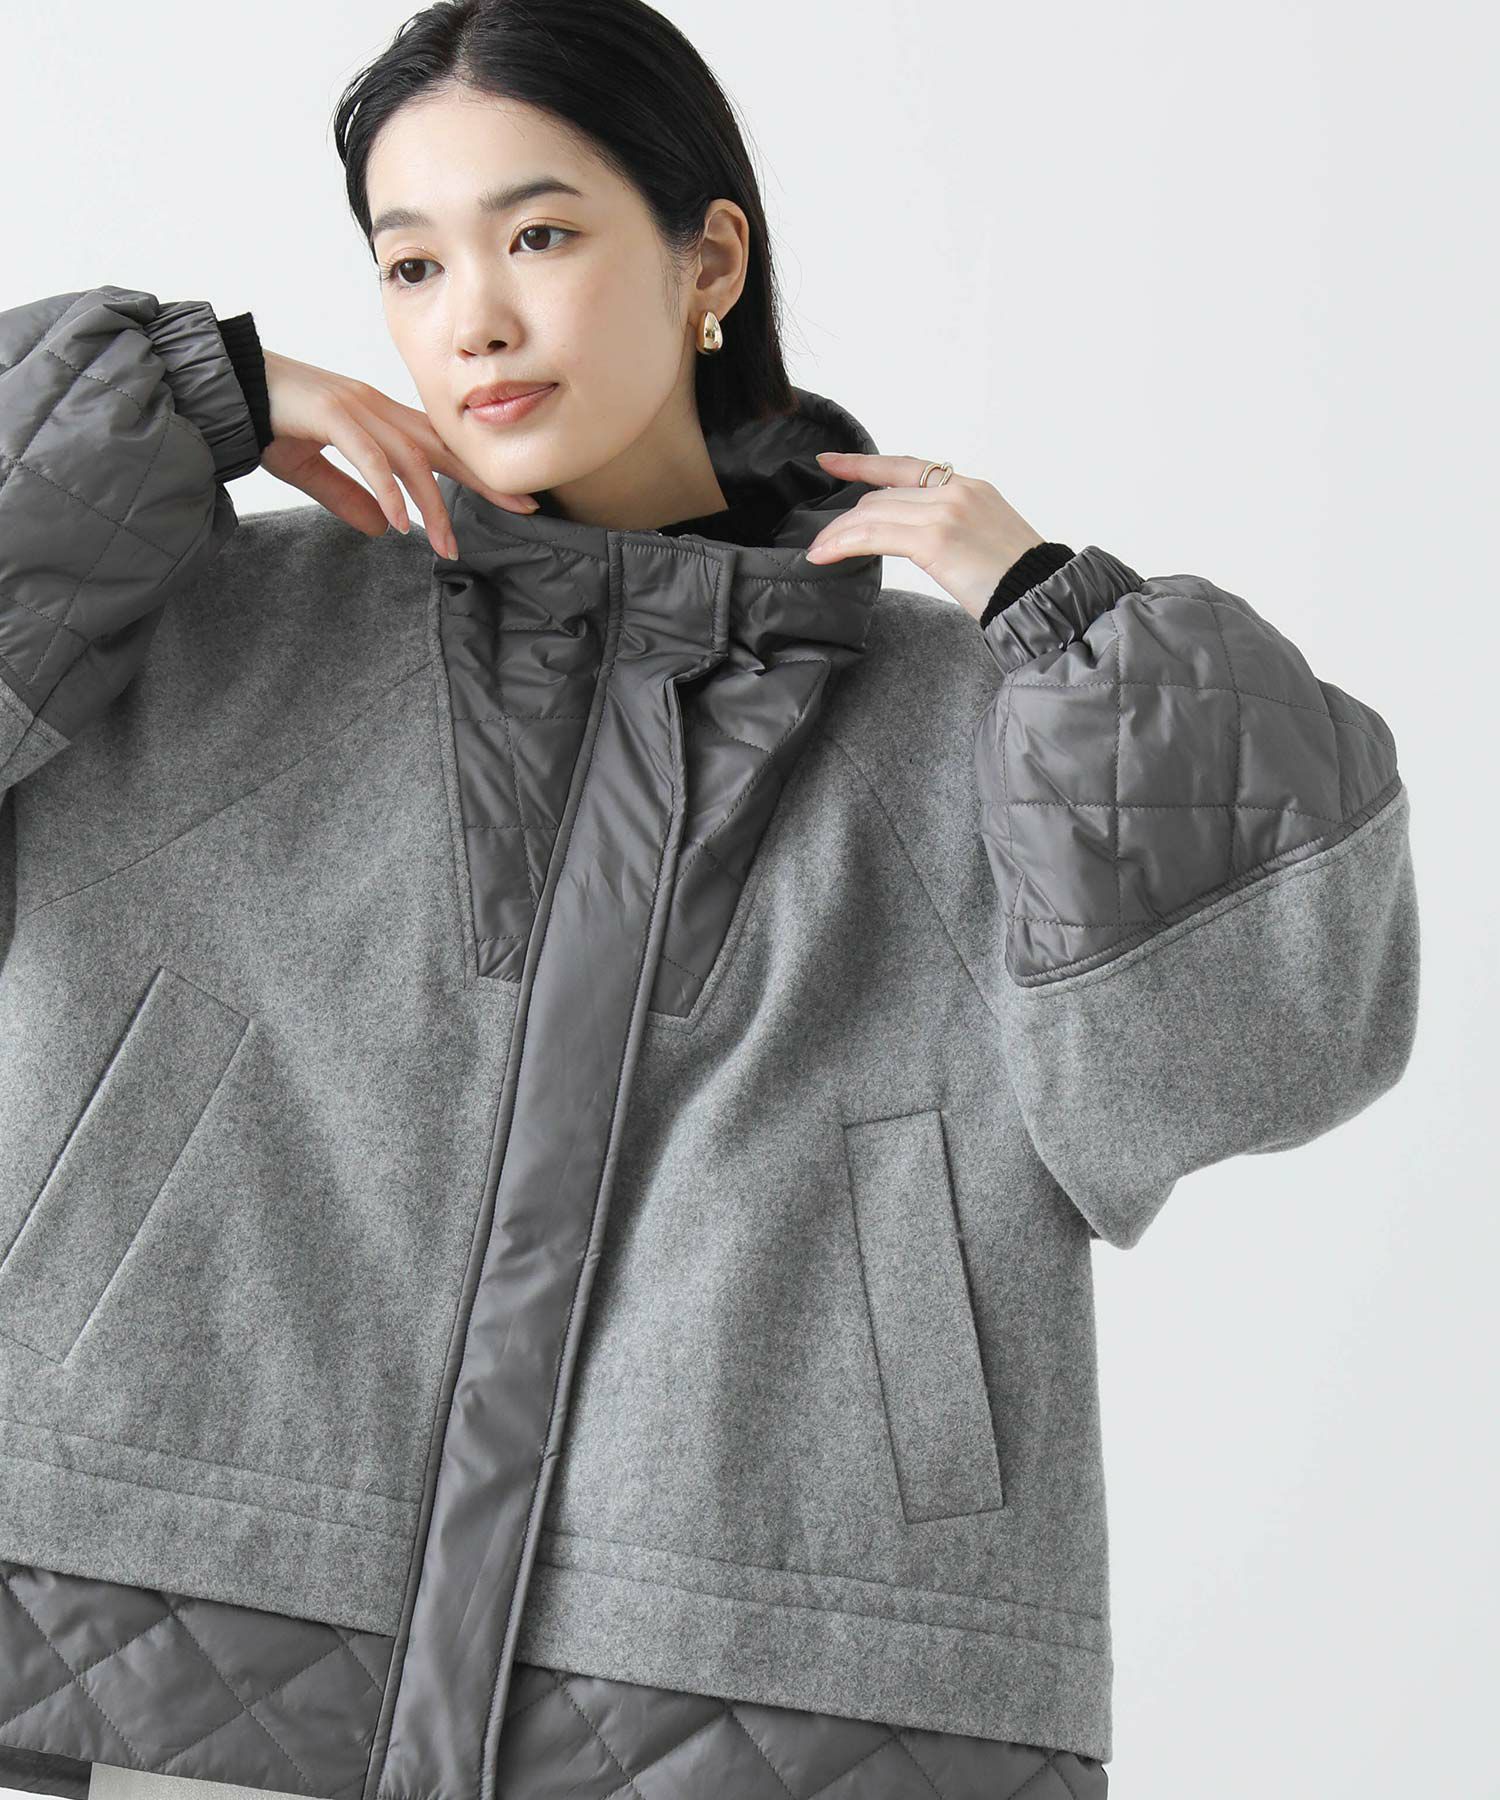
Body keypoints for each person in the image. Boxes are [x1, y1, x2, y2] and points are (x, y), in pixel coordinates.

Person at [0, 4, 1417, 1798]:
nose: (474, 318)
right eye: (413, 263)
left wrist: (1070, 629)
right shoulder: (212, 635)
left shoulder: (980, 733)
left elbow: (1268, 1051)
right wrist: (142, 414)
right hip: (196, 1609)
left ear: (709, 261)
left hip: (763, 1650)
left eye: (538, 234)